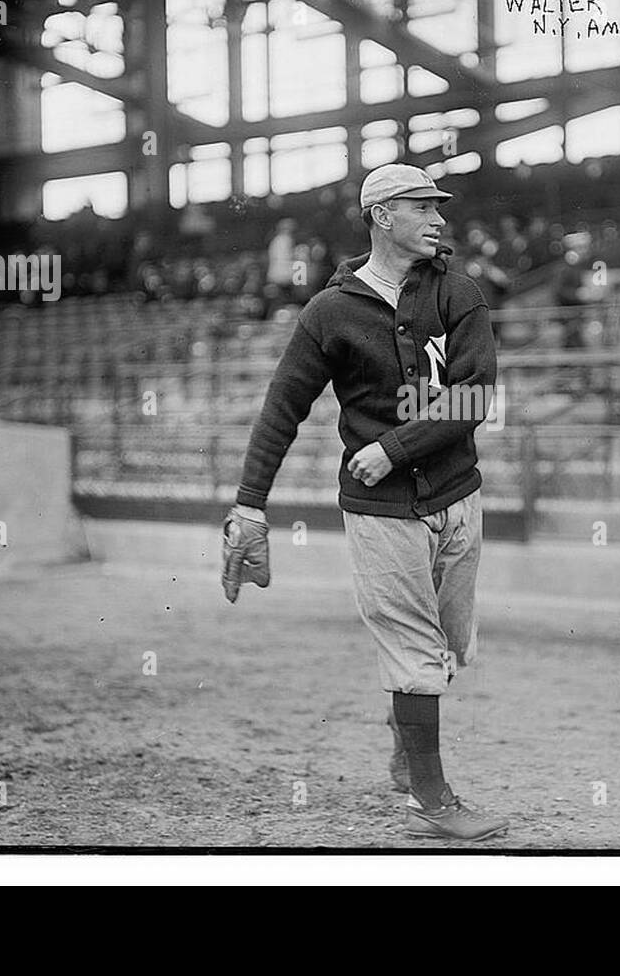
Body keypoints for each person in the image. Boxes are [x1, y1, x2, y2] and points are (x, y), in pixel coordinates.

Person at [221, 163, 508, 842]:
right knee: (413, 653)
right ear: (382, 216)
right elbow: (282, 409)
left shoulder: (459, 295)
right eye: (422, 208)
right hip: (380, 511)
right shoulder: (330, 311)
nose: (439, 219)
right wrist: (250, 506)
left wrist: (395, 447)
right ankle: (430, 800)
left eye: (440, 208)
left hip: (457, 496)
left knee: (450, 647)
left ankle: (406, 738)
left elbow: (474, 398)